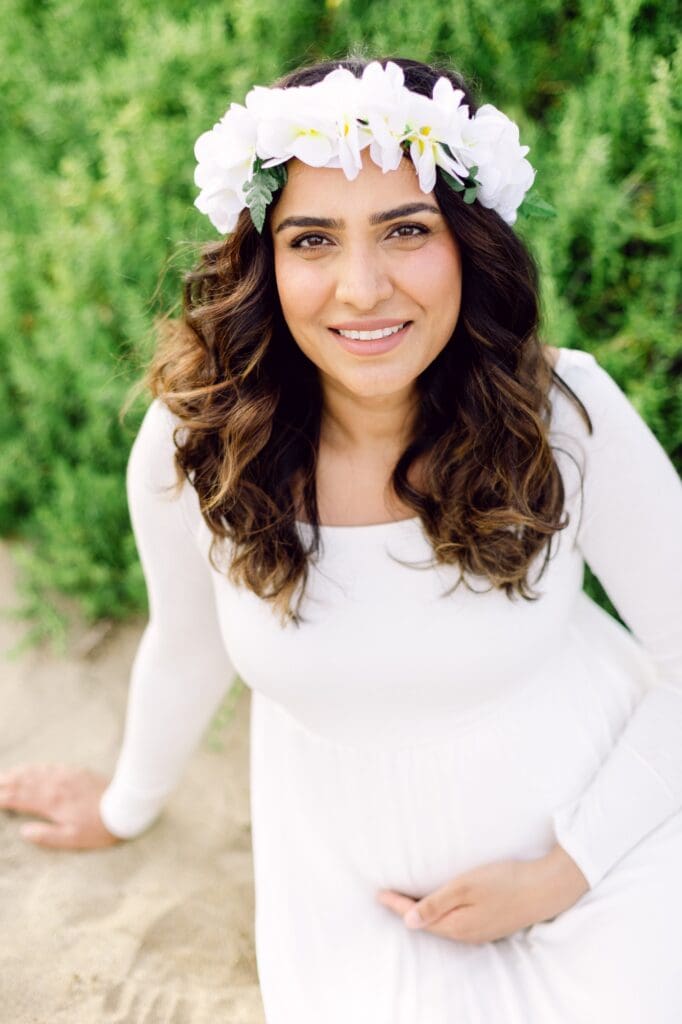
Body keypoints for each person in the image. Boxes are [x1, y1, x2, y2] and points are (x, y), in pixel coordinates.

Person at [1, 55, 681, 1023]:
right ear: (263, 263)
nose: (361, 288)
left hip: (616, 843)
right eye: (311, 238)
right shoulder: (197, 447)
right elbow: (188, 645)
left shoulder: (562, 413)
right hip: (360, 900)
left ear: (470, 245)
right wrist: (123, 805)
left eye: (406, 230)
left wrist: (560, 872)